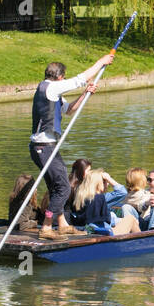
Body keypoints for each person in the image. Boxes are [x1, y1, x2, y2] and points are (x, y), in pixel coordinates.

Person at [30, 53, 116, 239]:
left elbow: (69, 111)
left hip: (48, 147)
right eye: (64, 78)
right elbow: (80, 79)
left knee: (57, 187)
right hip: (43, 147)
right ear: (60, 77)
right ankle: (46, 227)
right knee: (63, 188)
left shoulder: (53, 94)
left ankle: (62, 224)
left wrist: (85, 94)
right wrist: (101, 61)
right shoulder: (51, 88)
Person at [71, 165, 140, 236]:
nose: (107, 184)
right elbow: (105, 220)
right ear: (98, 183)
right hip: (105, 234)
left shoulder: (81, 198)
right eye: (104, 181)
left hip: (89, 230)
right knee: (131, 219)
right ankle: (142, 242)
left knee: (127, 220)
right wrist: (109, 178)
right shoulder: (99, 198)